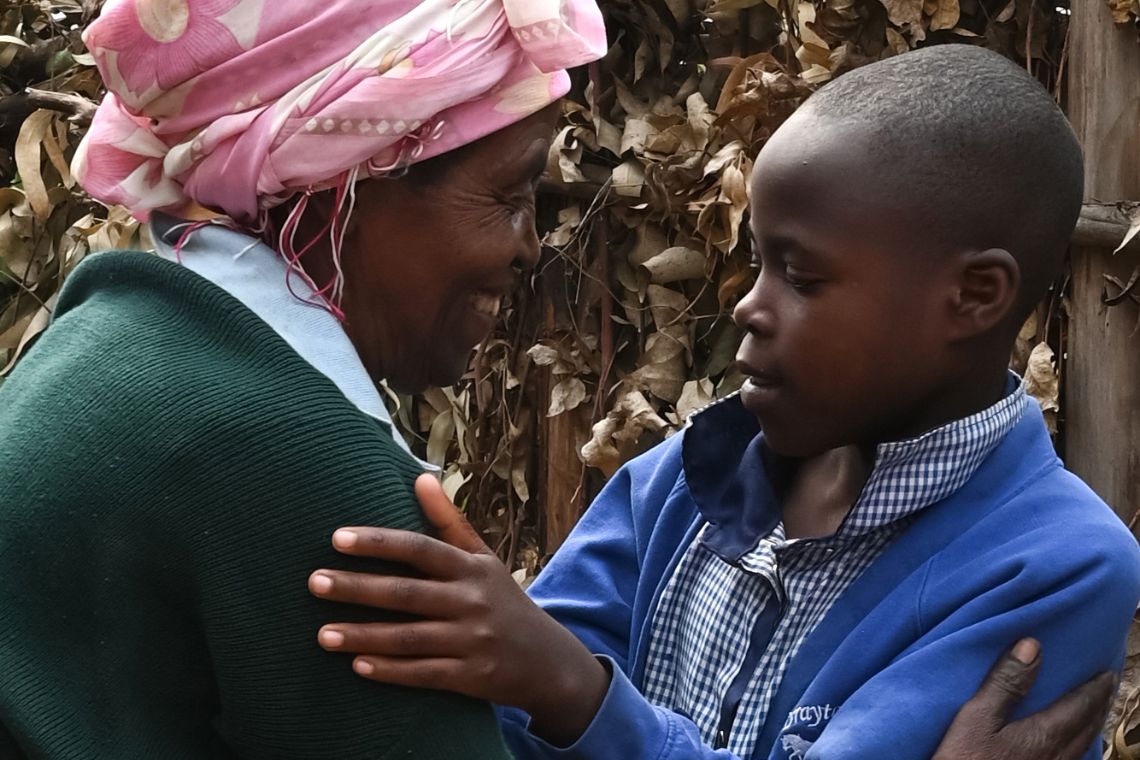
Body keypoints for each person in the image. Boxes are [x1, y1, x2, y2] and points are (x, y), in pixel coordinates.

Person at [308, 45, 1140, 759]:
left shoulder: (1054, 567)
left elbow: (549, 686)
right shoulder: (679, 482)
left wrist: (572, 692)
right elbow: (501, 730)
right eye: (757, 262)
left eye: (802, 277)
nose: (748, 305)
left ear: (974, 296)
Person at [0, 1, 606, 757]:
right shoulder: (308, 468)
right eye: (510, 196)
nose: (528, 248)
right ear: (348, 181)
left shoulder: (97, 338)